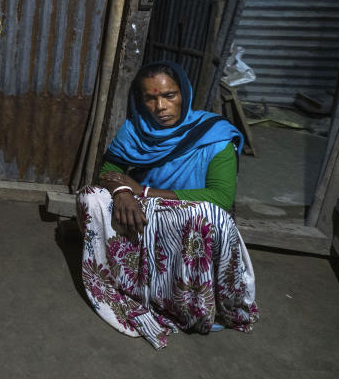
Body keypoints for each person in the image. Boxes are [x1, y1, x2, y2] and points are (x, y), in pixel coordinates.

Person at [76, 61, 258, 348]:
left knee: (207, 214)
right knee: (91, 196)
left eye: (169, 95)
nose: (160, 106)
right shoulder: (135, 130)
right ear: (142, 101)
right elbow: (109, 171)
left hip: (191, 223)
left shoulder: (215, 134)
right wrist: (123, 190)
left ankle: (183, 300)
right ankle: (124, 284)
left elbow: (221, 198)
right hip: (144, 217)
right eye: (151, 98)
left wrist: (145, 191)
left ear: (183, 94)